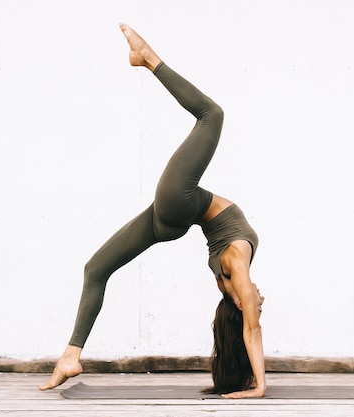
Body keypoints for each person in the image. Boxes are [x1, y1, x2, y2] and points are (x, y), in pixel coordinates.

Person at [38, 23, 266, 399]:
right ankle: (70, 356)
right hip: (177, 218)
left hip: (181, 200)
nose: (262, 299)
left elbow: (251, 329)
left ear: (239, 300)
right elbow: (247, 325)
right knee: (96, 269)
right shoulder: (232, 274)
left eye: (256, 304)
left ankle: (148, 59)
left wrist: (260, 386)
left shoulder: (236, 266)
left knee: (213, 115)